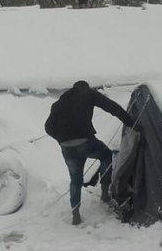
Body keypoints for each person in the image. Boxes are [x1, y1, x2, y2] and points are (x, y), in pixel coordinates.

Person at [44, 80, 134, 225]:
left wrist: (62, 139)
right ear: (85, 87)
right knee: (106, 155)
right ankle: (105, 194)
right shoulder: (88, 94)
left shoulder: (58, 104)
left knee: (75, 180)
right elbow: (112, 107)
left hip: (67, 147)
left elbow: (48, 127)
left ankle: (76, 216)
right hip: (86, 142)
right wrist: (130, 122)